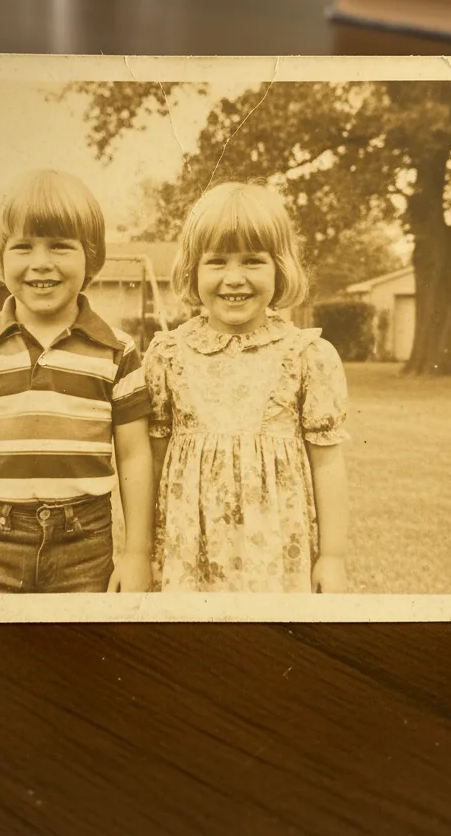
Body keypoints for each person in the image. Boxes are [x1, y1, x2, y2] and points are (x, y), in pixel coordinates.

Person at [0, 170, 154, 594]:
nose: (41, 262)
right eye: (23, 247)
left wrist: (137, 554)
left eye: (60, 246)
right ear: (0, 258)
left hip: (84, 541)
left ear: (90, 257)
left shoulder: (118, 351)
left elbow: (135, 456)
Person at [144, 182, 349, 594]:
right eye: (217, 261)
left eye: (253, 261)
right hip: (189, 552)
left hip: (275, 554)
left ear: (280, 268)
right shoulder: (168, 355)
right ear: (193, 270)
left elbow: (327, 464)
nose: (234, 278)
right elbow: (153, 462)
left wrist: (332, 557)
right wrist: (145, 551)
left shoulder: (308, 356)